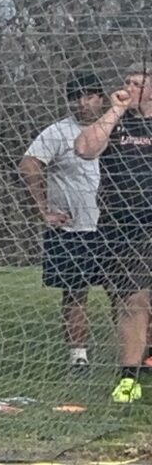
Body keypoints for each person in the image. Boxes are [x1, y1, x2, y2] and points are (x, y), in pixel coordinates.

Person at [20, 75, 112, 372]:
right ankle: (78, 357)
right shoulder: (58, 132)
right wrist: (41, 208)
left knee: (127, 293)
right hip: (73, 228)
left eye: (89, 96)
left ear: (102, 98)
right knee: (75, 293)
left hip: (115, 226)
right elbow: (29, 164)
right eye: (75, 98)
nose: (82, 104)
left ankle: (135, 353)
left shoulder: (119, 128)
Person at [74, 69, 152, 405]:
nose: (129, 88)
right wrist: (116, 110)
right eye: (127, 82)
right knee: (132, 299)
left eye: (138, 84)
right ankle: (128, 376)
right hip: (125, 226)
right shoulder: (116, 123)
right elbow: (84, 149)